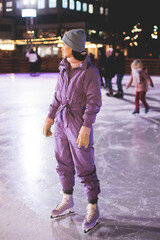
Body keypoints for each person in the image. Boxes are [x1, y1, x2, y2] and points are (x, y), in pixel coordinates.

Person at [42, 29, 102, 233]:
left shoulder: (89, 72)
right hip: (61, 121)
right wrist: (50, 118)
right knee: (63, 161)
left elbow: (94, 102)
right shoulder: (64, 68)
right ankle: (67, 199)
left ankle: (93, 206)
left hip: (78, 122)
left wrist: (86, 127)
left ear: (73, 47)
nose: (62, 46)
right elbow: (57, 97)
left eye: (64, 44)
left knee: (85, 164)